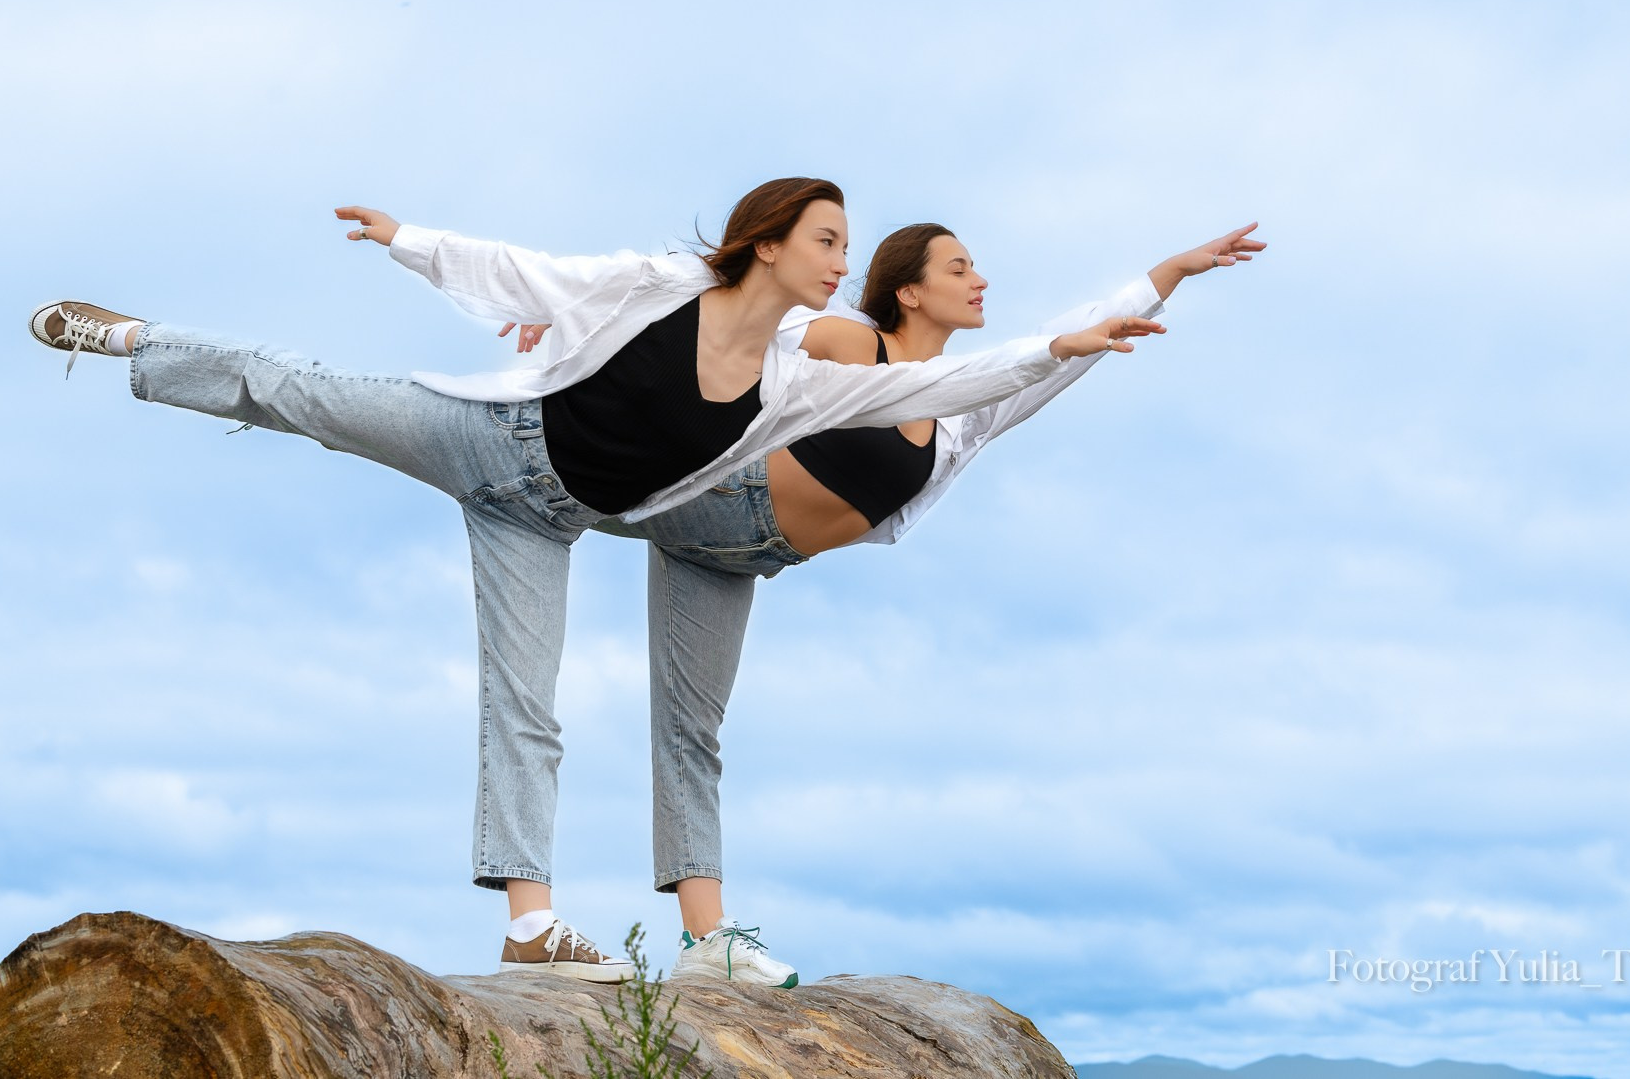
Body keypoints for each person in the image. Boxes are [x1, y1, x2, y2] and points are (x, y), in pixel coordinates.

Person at [27, 177, 1159, 984]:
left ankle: (532, 926)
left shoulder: (788, 387)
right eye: (825, 238)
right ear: (768, 243)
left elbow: (956, 395)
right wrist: (405, 238)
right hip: (484, 438)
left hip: (550, 521)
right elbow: (532, 274)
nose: (837, 259)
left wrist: (1058, 350)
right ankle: (127, 337)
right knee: (304, 391)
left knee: (526, 707)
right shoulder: (663, 287)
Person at [521, 217, 1263, 986]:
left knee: (691, 734)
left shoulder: (958, 413)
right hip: (703, 492)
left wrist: (1167, 272)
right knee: (541, 482)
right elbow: (726, 318)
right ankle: (513, 450)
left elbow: (1049, 354)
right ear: (908, 290)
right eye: (958, 267)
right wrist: (575, 315)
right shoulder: (847, 341)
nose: (978, 280)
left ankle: (706, 942)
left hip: (742, 555)